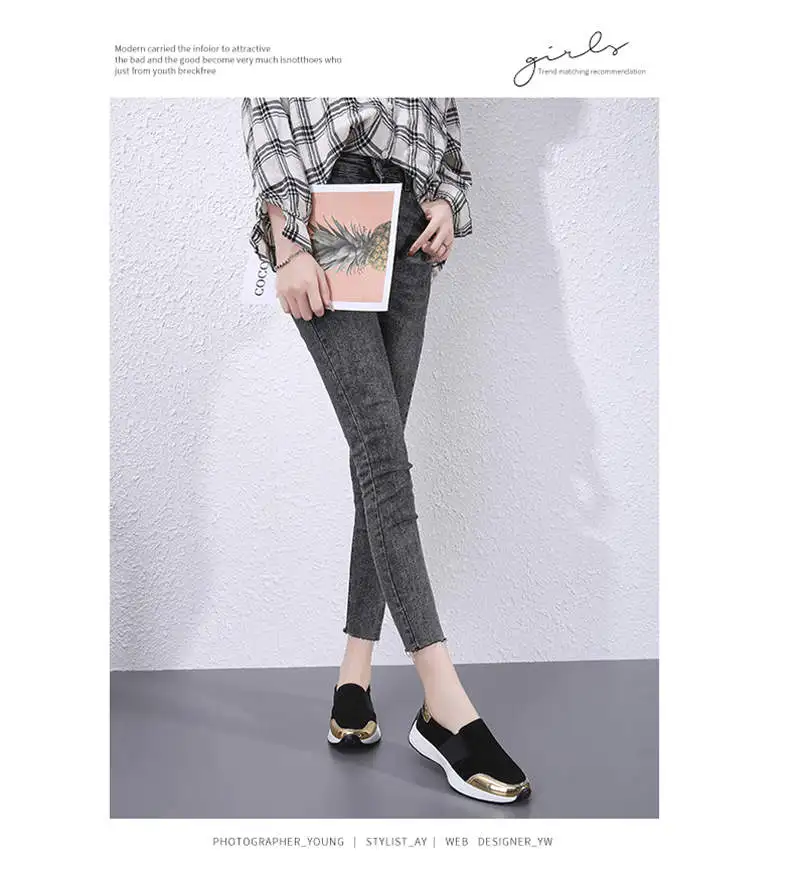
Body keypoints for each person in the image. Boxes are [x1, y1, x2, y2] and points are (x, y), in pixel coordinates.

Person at [241, 98, 531, 803]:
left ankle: (354, 674)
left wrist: (446, 200)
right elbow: (265, 97)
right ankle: (443, 703)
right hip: (333, 207)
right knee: (381, 456)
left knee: (378, 457)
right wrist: (287, 241)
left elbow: (441, 112)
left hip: (410, 224)